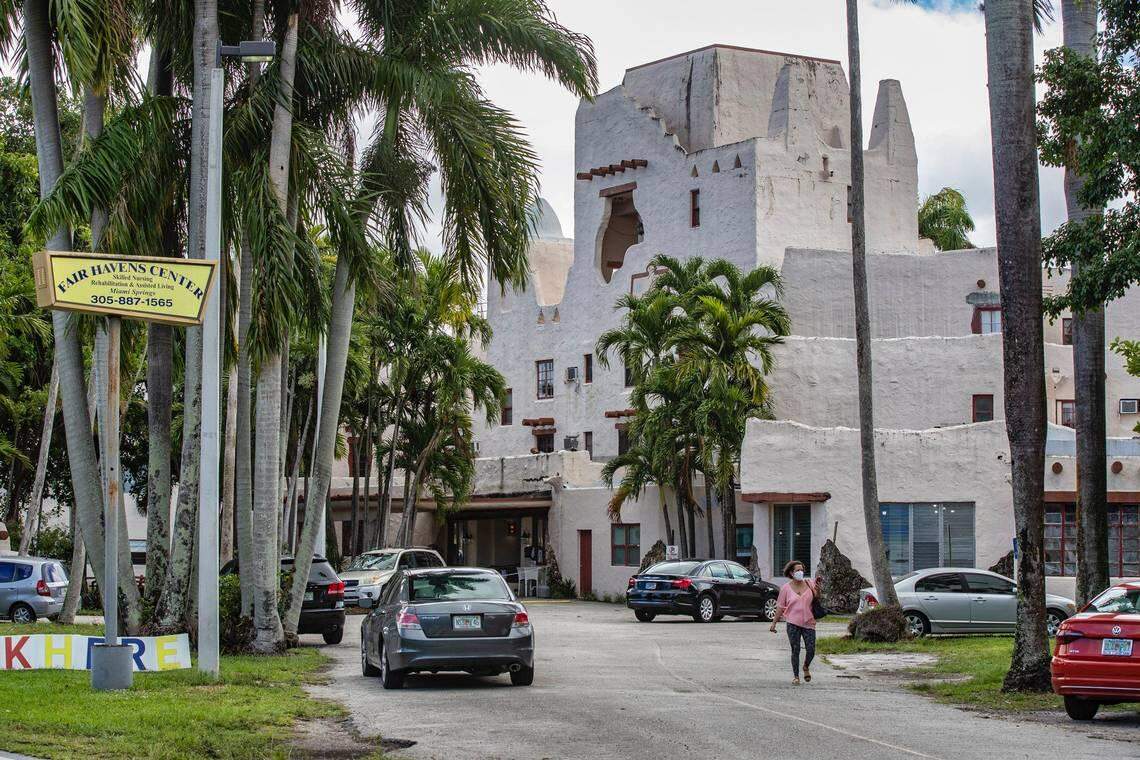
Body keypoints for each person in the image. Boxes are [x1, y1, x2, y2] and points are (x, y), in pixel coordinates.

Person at [769, 559, 818, 684]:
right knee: (795, 649)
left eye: (802, 570)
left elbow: (817, 598)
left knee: (811, 649)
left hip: (809, 622)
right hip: (792, 623)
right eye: (798, 570)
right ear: (791, 573)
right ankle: (796, 676)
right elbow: (780, 606)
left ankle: (806, 666)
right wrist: (774, 622)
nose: (800, 572)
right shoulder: (785, 588)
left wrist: (818, 588)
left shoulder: (809, 583)